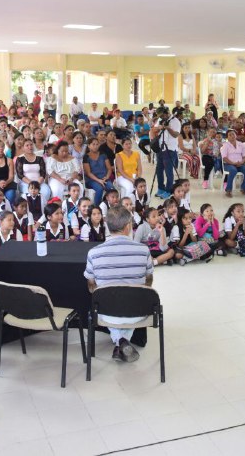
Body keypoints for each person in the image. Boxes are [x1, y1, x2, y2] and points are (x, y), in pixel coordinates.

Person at [83, 205, 153, 362]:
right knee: (132, 299)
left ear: (108, 226)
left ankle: (119, 341)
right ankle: (122, 341)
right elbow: (148, 282)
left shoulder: (93, 253)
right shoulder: (143, 250)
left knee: (106, 302)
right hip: (137, 312)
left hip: (106, 312)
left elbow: (91, 286)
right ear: (128, 226)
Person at [151, 107, 182, 199]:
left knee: (169, 171)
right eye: (160, 116)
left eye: (163, 115)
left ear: (167, 113)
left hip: (170, 149)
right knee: (159, 170)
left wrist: (168, 128)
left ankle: (168, 190)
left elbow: (176, 135)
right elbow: (153, 130)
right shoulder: (160, 120)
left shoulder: (175, 121)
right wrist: (159, 127)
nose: (161, 117)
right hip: (160, 148)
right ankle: (161, 188)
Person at [221, 129, 245, 198]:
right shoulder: (225, 145)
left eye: (233, 134)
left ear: (236, 135)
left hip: (240, 164)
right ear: (227, 137)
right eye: (230, 135)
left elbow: (244, 156)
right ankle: (228, 190)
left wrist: (242, 162)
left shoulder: (241, 144)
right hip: (229, 164)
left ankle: (243, 188)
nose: (232, 136)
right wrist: (233, 163)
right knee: (233, 170)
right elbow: (224, 158)